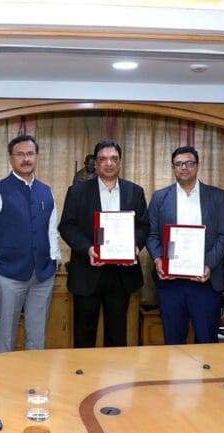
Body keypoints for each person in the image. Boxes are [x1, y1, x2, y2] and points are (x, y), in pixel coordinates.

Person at [0, 135, 60, 353]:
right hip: (9, 276)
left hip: (43, 276)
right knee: (6, 338)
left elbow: (51, 230)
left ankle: (33, 374)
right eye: (20, 154)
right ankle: (4, 376)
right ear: (11, 158)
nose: (26, 159)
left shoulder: (46, 191)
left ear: (36, 156)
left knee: (37, 337)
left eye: (30, 154)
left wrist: (55, 260)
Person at [59, 139, 149, 347]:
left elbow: (144, 226)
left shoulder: (135, 191)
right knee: (83, 337)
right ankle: (84, 370)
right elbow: (67, 226)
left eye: (113, 158)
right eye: (103, 159)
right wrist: (88, 248)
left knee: (117, 337)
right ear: (96, 163)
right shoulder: (77, 191)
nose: (109, 163)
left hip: (121, 276)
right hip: (87, 272)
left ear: (120, 162)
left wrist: (134, 245)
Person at [146, 145, 224, 344]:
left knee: (207, 342)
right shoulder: (160, 197)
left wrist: (208, 264)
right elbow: (152, 235)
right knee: (173, 342)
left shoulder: (217, 196)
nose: (184, 167)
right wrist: (158, 260)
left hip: (205, 281)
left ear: (197, 166)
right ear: (173, 168)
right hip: (170, 283)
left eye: (189, 163)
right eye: (179, 164)